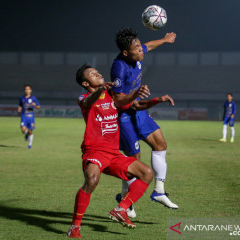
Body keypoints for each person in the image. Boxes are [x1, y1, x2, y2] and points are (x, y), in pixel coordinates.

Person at [68, 64, 174, 238]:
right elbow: (88, 102)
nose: (98, 73)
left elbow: (137, 105)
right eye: (93, 74)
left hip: (114, 153)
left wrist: (157, 100)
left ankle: (121, 209)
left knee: (146, 173)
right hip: (95, 151)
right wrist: (100, 89)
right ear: (86, 83)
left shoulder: (112, 96)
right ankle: (74, 227)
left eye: (97, 71)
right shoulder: (84, 97)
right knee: (92, 180)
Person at [110, 27, 178, 214]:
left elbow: (149, 45)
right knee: (134, 162)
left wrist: (165, 40)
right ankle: (126, 201)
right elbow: (117, 101)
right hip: (124, 115)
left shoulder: (137, 54)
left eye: (140, 46)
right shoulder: (119, 68)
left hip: (137, 108)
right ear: (126, 52)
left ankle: (159, 191)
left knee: (160, 144)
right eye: (137, 48)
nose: (142, 50)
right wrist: (135, 95)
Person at [17, 84, 40, 149]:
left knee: (30, 131)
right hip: (24, 116)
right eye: (26, 89)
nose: (27, 90)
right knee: (23, 130)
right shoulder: (21, 98)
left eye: (28, 89)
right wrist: (19, 108)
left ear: (31, 90)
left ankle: (30, 144)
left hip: (31, 117)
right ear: (24, 90)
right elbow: (20, 105)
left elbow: (38, 107)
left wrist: (35, 105)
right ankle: (26, 134)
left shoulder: (33, 98)